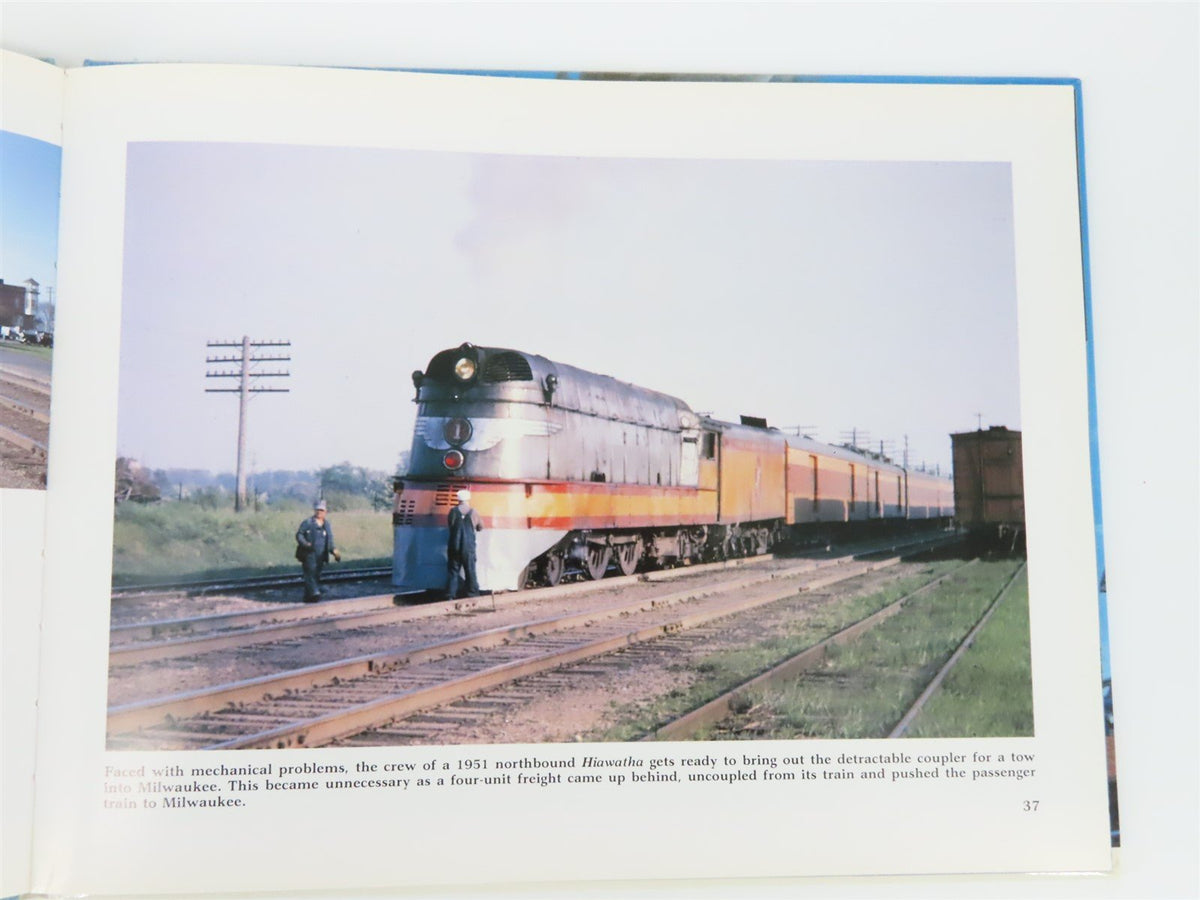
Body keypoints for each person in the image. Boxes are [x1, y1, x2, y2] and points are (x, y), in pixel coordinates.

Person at [295, 499, 340, 602]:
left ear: (325, 512)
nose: (319, 512)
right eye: (317, 510)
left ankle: (308, 598)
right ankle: (315, 593)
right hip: (309, 553)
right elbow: (299, 534)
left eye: (321, 510)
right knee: (310, 574)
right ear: (314, 511)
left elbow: (330, 539)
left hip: (321, 555)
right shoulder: (308, 522)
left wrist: (334, 551)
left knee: (316, 575)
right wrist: (305, 543)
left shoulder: (326, 524)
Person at [446, 488, 483, 598]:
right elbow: (480, 527)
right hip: (468, 546)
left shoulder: (453, 511)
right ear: (468, 499)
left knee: (453, 571)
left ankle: (450, 594)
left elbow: (450, 525)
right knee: (470, 569)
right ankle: (472, 593)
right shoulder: (474, 512)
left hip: (454, 545)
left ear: (458, 500)